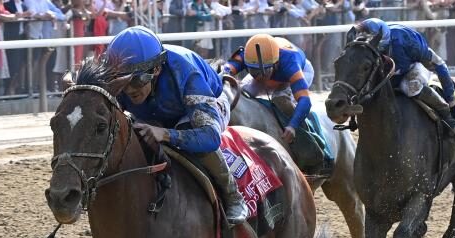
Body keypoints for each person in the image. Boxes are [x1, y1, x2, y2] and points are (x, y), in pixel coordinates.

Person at [105, 25, 249, 225]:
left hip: (205, 104)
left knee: (185, 129)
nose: (129, 90)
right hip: (158, 110)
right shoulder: (115, 74)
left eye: (137, 81)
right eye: (121, 82)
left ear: (156, 69)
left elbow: (209, 137)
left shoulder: (187, 73)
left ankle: (233, 196)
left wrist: (164, 134)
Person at [354, 17, 455, 134]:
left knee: (410, 86)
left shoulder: (408, 41)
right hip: (390, 71)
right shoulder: (366, 42)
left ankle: (446, 113)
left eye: (380, 49)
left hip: (414, 66)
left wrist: (451, 102)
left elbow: (439, 64)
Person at [220, 33, 312, 145]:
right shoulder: (247, 55)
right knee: (244, 93)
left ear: (276, 63)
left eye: (262, 72)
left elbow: (305, 100)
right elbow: (226, 69)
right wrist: (223, 72)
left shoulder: (290, 63)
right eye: (253, 71)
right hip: (268, 67)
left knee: (281, 99)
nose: (260, 77)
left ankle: (305, 138)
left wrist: (292, 126)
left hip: (298, 71)